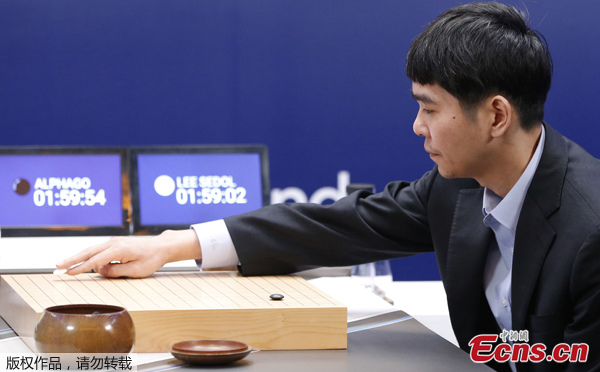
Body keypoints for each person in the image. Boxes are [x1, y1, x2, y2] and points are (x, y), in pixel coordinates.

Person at [57, 2, 600, 371]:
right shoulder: (455, 189)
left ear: (497, 115)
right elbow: (337, 226)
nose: (417, 127)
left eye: (429, 109)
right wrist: (170, 245)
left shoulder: (590, 231)